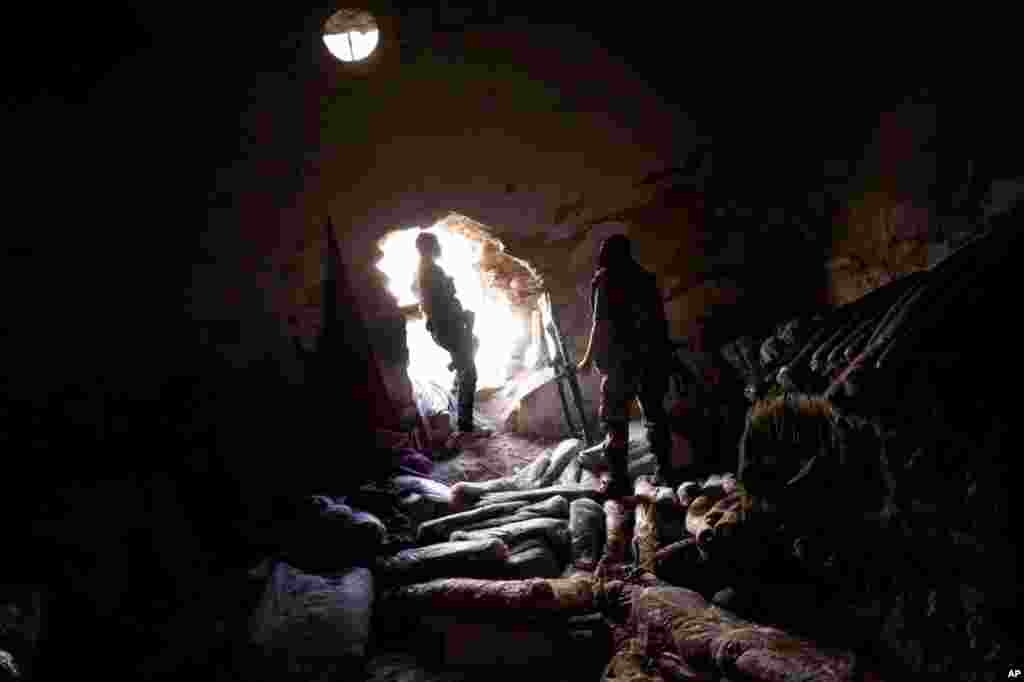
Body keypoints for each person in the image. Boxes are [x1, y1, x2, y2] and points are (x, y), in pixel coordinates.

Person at [578, 234, 674, 497]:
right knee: (654, 416)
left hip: (622, 361)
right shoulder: (645, 278)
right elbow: (659, 322)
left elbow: (600, 324)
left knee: (615, 419)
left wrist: (587, 359)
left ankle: (618, 480)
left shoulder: (606, 279)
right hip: (651, 358)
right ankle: (665, 471)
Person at [412, 231, 490, 449]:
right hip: (449, 328)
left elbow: (439, 304)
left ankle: (458, 375)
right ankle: (466, 427)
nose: (440, 247)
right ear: (430, 247)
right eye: (437, 244)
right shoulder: (432, 272)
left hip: (445, 328)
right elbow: (443, 307)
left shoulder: (424, 271)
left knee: (473, 343)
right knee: (470, 374)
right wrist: (465, 318)